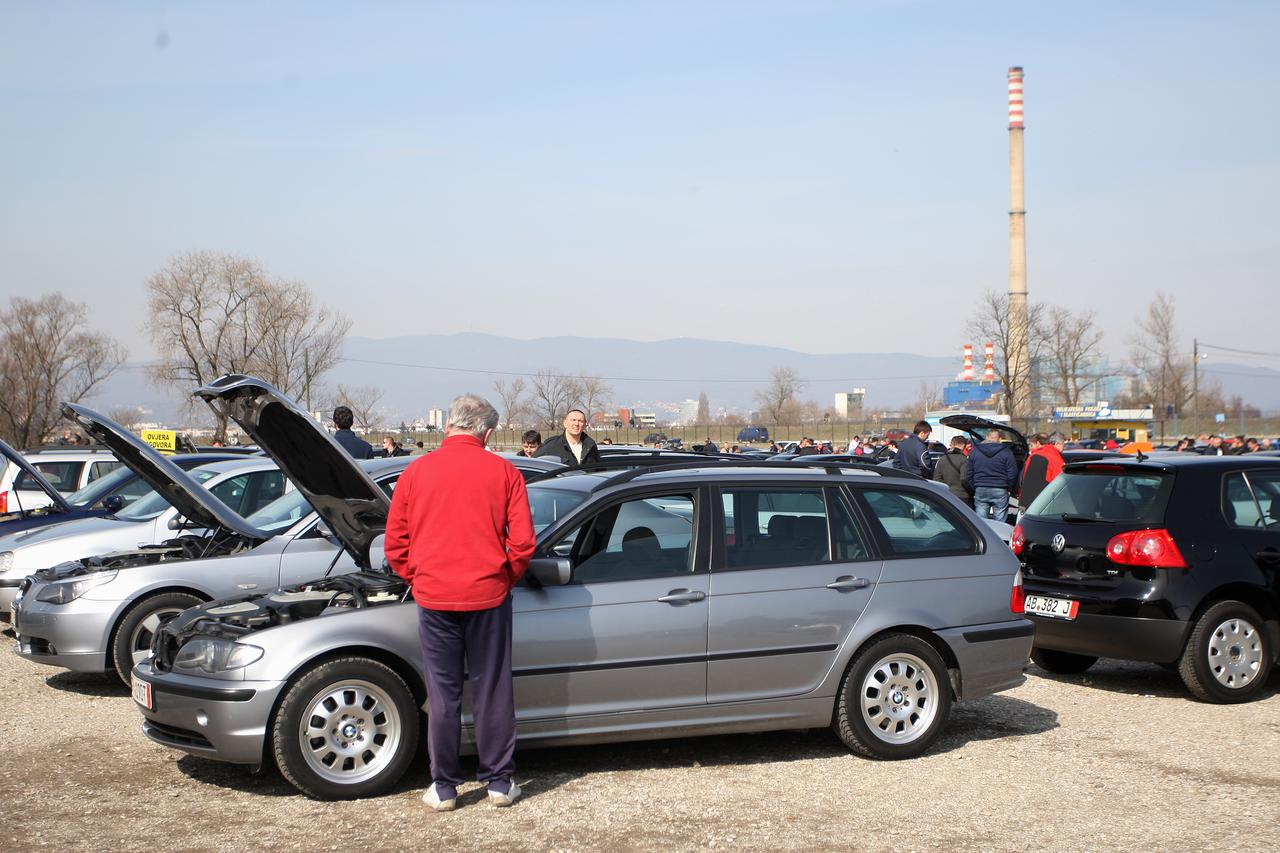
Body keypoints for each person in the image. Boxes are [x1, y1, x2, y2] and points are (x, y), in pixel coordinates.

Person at [384, 394, 535, 812]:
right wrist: (503, 576)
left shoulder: (416, 472)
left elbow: (395, 542)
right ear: (486, 433)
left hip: (435, 597)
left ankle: (445, 786)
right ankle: (499, 781)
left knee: (443, 693)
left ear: (448, 425)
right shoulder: (505, 472)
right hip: (489, 595)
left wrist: (418, 576)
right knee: (493, 689)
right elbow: (523, 542)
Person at [966, 430, 1018, 521]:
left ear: (987, 437)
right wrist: (1009, 488)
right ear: (1000, 439)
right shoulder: (1006, 452)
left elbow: (969, 473)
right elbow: (1012, 473)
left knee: (981, 522)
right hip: (1000, 488)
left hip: (980, 487)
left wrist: (974, 487)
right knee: (1000, 522)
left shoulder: (975, 452)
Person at [534, 409, 601, 466]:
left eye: (580, 421)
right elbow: (534, 465)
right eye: (573, 420)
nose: (576, 424)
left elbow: (598, 470)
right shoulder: (551, 446)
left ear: (584, 425)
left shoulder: (591, 446)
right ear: (565, 423)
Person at [1020, 433, 1065, 509]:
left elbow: (1024, 476)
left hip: (1026, 500)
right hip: (1044, 502)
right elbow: (1061, 482)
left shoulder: (1034, 454)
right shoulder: (1055, 457)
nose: (1064, 447)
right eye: (1063, 444)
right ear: (1057, 444)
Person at [932, 436, 972, 505]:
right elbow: (964, 479)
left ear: (952, 444)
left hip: (945, 494)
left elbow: (936, 479)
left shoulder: (942, 459)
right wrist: (971, 491)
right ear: (963, 445)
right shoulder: (964, 459)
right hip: (961, 495)